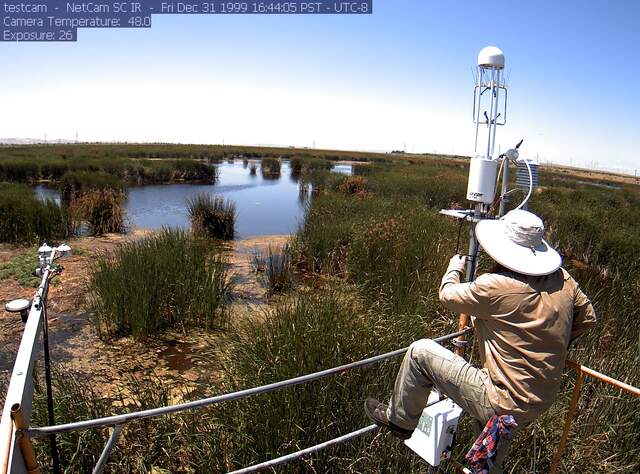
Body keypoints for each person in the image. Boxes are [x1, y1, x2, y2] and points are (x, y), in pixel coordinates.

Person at [364, 209, 596, 470]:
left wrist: (454, 268)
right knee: (491, 448)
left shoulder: (496, 285)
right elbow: (587, 317)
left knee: (420, 353)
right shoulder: (564, 280)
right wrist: (549, 343)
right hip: (539, 398)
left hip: (500, 398)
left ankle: (399, 423)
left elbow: (447, 295)